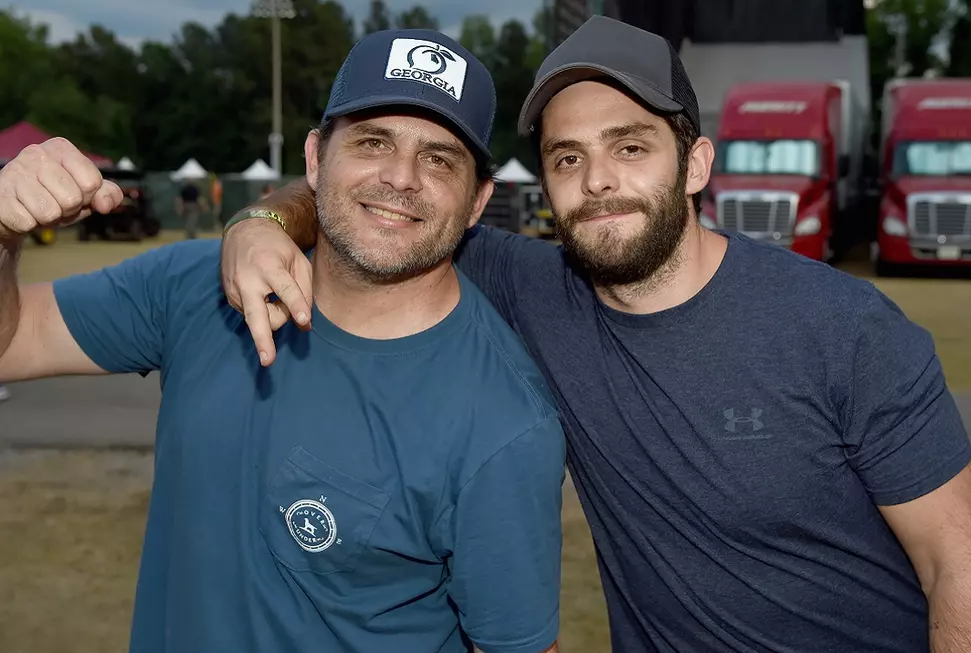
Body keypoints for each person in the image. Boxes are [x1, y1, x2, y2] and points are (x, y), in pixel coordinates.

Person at [221, 15, 971, 653]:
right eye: (567, 158)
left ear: (695, 164)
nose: (597, 181)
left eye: (630, 147)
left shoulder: (844, 329)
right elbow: (375, 200)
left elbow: (959, 563)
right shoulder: (532, 289)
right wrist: (259, 222)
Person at [0, 28, 565, 653]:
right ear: (316, 158)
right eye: (373, 141)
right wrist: (2, 235)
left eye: (438, 159)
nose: (400, 177)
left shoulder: (504, 424)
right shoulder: (196, 286)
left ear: (479, 200)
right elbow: (14, 338)